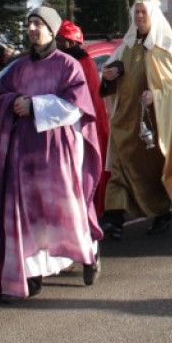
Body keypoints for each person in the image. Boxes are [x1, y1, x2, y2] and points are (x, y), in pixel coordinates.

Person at [0, 7, 104, 302]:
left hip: (58, 150)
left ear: (52, 30)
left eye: (38, 24)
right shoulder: (18, 68)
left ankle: (89, 254)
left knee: (65, 211)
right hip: (25, 150)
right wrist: (14, 101)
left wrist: (35, 106)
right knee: (28, 213)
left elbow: (76, 105)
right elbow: (0, 96)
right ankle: (32, 273)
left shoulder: (68, 65)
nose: (32, 28)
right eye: (29, 23)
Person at [99, 0, 172, 239]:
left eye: (143, 12)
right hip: (124, 122)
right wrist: (109, 77)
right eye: (136, 13)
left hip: (152, 126)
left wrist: (156, 95)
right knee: (119, 171)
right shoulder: (125, 47)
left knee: (149, 173)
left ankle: (160, 212)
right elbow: (107, 84)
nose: (139, 17)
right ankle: (113, 220)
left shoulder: (166, 47)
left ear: (153, 15)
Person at [57, 19, 111, 220]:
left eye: (60, 40)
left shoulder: (80, 63)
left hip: (83, 124)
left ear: (69, 42)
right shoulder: (76, 61)